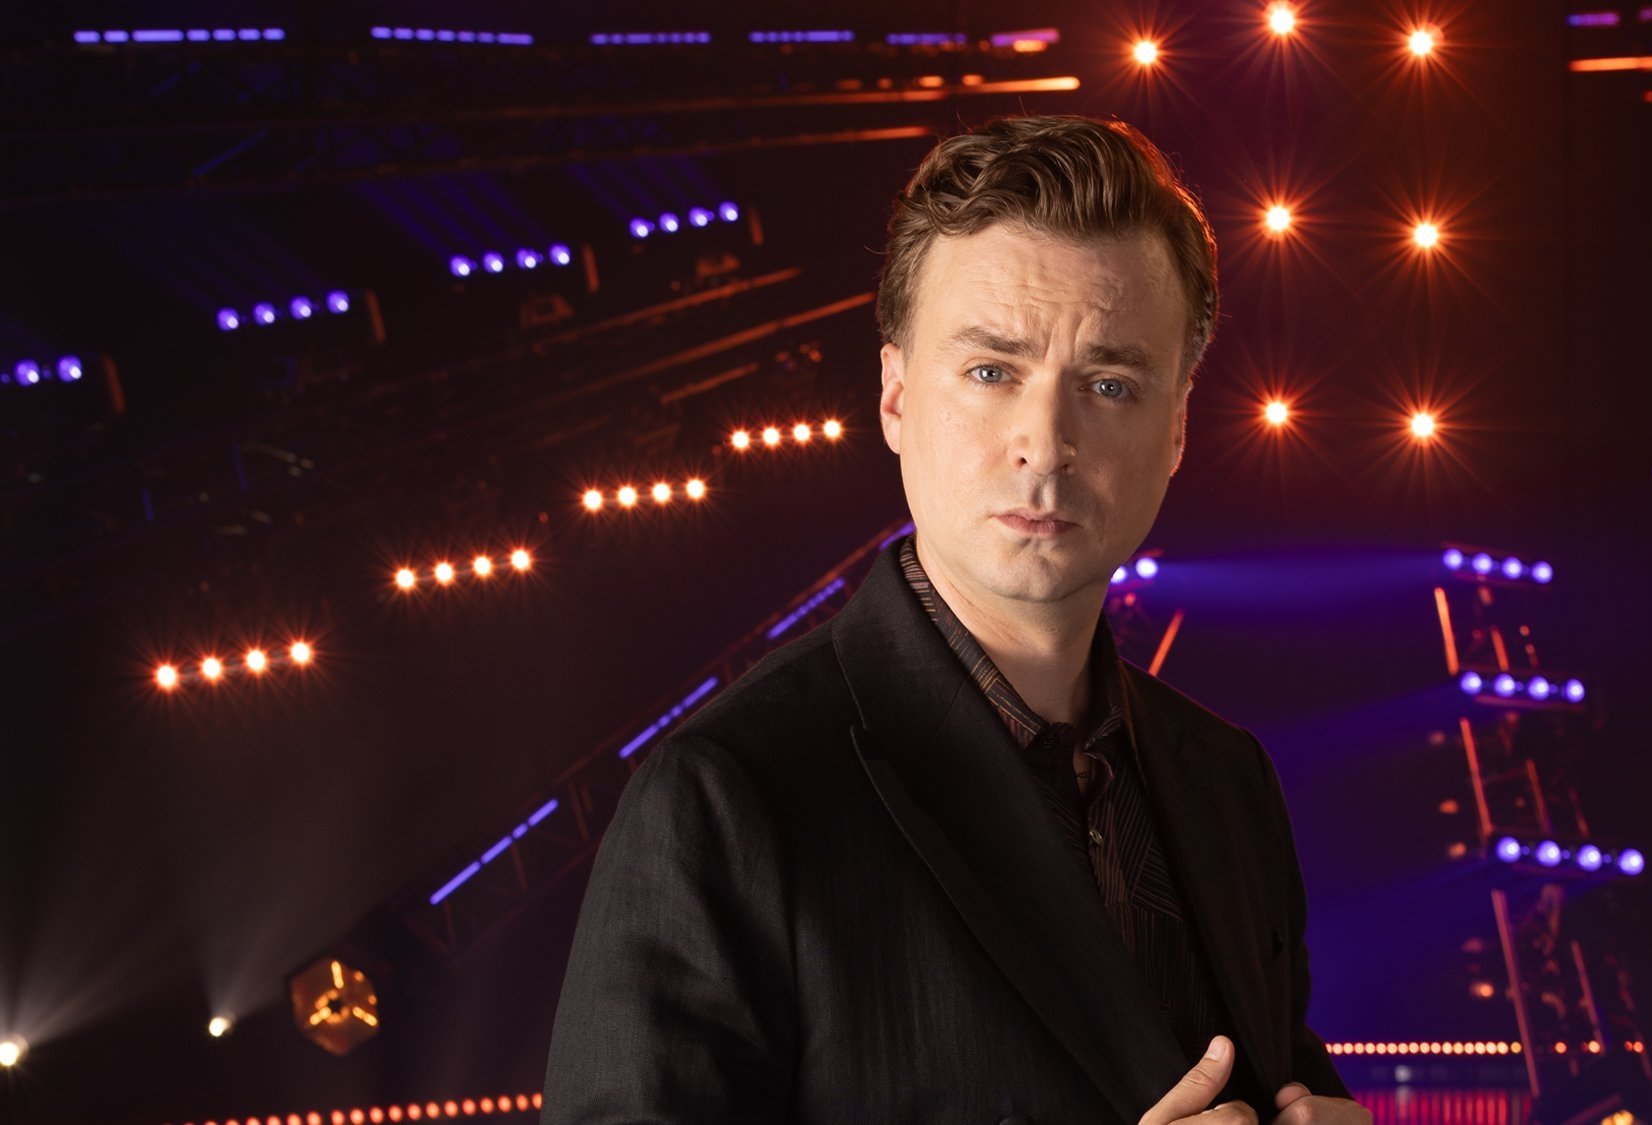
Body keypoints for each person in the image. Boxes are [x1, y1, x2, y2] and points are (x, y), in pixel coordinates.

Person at [542, 113, 1367, 1125]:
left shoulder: (1229, 781)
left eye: (1109, 385)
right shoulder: (725, 798)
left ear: (1177, 428)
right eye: (991, 372)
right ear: (894, 397)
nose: (1045, 444)